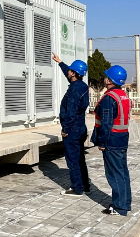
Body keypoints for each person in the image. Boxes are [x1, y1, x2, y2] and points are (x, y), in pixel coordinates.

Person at [91, 65, 132, 216]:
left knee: (115, 175)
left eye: (106, 76)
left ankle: (120, 207)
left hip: (111, 141)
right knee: (122, 173)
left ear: (109, 80)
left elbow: (106, 123)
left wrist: (102, 143)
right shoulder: (123, 95)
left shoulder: (109, 98)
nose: (104, 78)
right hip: (122, 138)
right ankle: (125, 203)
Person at [52, 53, 90, 197]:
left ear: (73, 73)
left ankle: (77, 188)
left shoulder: (74, 90)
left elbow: (71, 111)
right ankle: (85, 185)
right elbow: (68, 73)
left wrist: (65, 129)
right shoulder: (82, 86)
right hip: (81, 127)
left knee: (73, 160)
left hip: (72, 129)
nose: (68, 71)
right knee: (80, 158)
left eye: (70, 70)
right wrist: (60, 62)